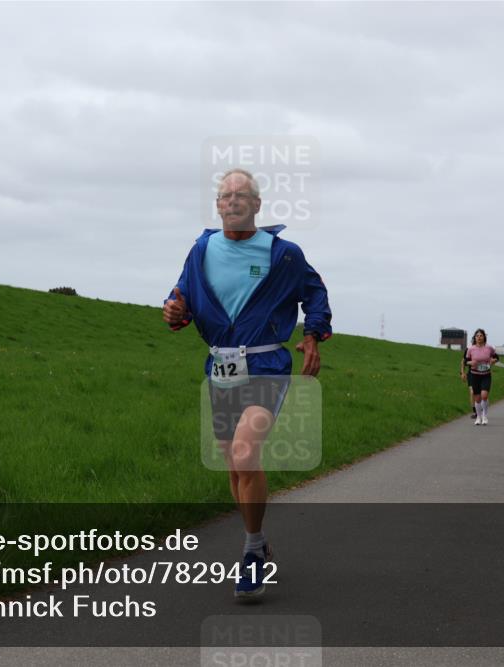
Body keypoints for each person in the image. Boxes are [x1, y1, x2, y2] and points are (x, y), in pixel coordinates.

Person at [163, 168, 332, 599]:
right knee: (233, 465)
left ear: (257, 205)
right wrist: (173, 309)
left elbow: (314, 293)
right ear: (217, 205)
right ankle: (257, 539)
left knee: (244, 451)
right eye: (225, 195)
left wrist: (312, 333)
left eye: (242, 195)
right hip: (220, 368)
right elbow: (181, 294)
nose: (233, 201)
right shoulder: (201, 249)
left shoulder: (283, 253)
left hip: (267, 364)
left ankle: (253, 551)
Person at [465, 329, 499, 425]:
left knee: (484, 396)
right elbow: (465, 361)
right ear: (475, 338)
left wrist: (493, 361)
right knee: (477, 399)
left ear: (484, 337)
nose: (479, 337)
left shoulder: (489, 348)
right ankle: (478, 417)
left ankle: (484, 416)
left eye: (481, 335)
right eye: (477, 336)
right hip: (474, 375)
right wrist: (470, 362)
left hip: (486, 375)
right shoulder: (471, 349)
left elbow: (497, 357)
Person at [460, 347, 477, 418]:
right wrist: (462, 373)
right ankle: (475, 411)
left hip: (482, 374)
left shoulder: (484, 349)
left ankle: (481, 407)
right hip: (471, 373)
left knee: (481, 394)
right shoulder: (468, 349)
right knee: (472, 392)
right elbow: (463, 362)